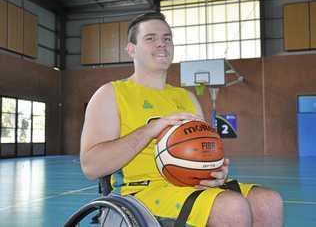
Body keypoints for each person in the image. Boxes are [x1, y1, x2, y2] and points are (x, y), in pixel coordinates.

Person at [80, 12, 283, 227]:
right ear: (131, 49)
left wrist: (214, 172)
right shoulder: (111, 93)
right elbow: (91, 166)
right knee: (231, 207)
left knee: (268, 201)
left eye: (167, 38)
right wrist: (151, 129)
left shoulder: (187, 98)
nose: (162, 44)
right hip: (136, 193)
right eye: (150, 38)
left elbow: (203, 152)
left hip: (187, 186)